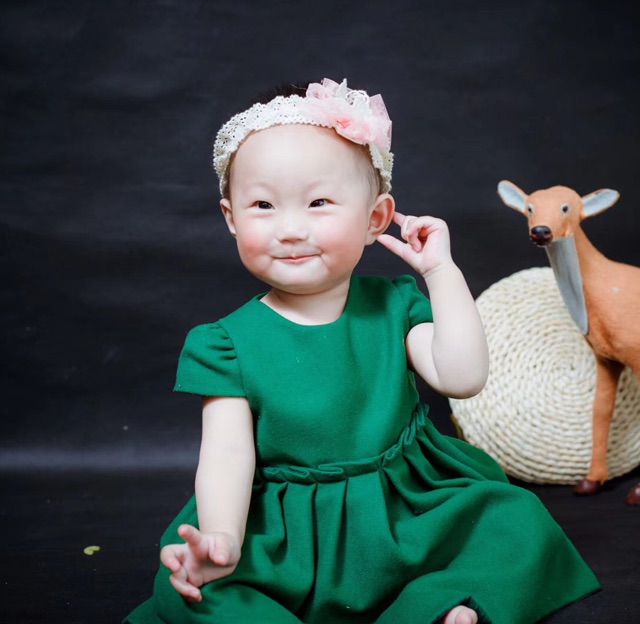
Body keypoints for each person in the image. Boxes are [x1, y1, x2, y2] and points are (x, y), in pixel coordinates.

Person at [123, 77, 602, 624]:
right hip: (290, 536)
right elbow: (227, 455)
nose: (290, 229)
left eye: (318, 202)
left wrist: (441, 272)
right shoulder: (224, 345)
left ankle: (434, 604)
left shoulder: (395, 306)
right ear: (232, 218)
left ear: (375, 218)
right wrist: (223, 539)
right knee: (192, 591)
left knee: (515, 522)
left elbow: (463, 377)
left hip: (405, 511)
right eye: (263, 205)